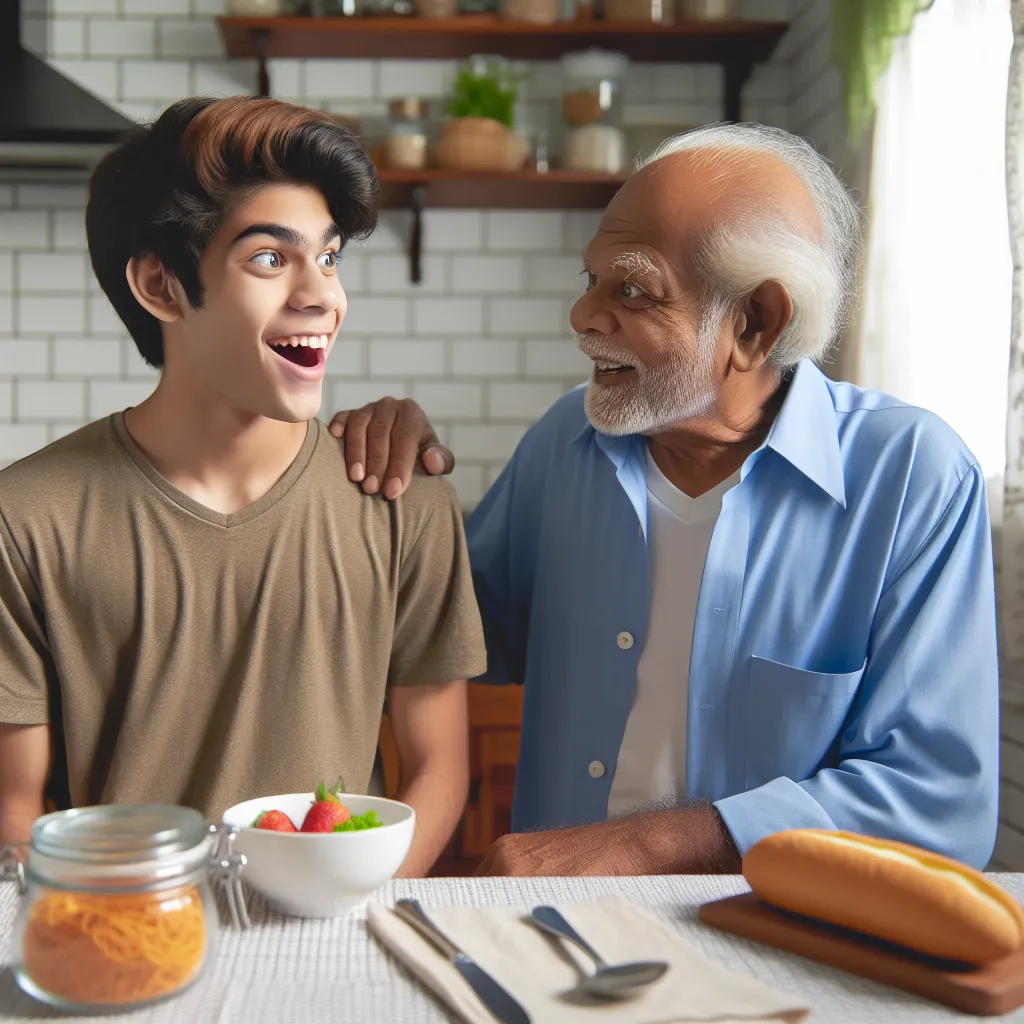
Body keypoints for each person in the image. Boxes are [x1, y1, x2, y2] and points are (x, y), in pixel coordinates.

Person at [328, 123, 999, 875]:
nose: (583, 318)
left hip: (776, 942)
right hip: (558, 930)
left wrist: (645, 844)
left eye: (633, 290)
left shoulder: (912, 477)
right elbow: (444, 640)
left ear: (755, 322)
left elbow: (939, 806)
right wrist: (402, 489)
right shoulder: (564, 445)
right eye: (591, 281)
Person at [0, 96, 486, 878]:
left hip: (341, 946)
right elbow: (14, 812)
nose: (323, 296)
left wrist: (346, 913)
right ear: (161, 286)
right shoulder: (24, 519)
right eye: (270, 259)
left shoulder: (405, 499)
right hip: (133, 941)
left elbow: (438, 770)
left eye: (328, 258)